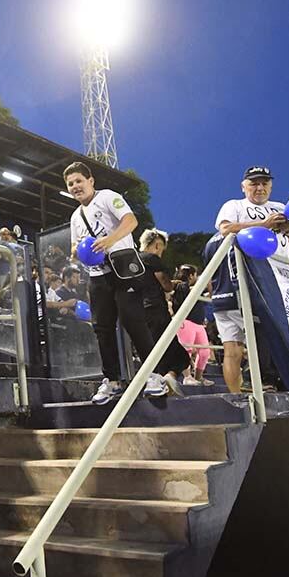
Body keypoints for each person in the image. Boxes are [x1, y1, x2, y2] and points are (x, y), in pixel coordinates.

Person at [64, 161, 155, 405]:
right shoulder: (75, 216)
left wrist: (108, 240)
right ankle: (112, 380)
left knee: (132, 320)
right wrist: (77, 252)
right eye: (70, 184)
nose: (75, 187)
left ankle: (153, 375)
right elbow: (75, 245)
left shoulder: (107, 197)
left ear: (90, 180)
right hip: (97, 275)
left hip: (123, 269)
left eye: (79, 181)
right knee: (102, 328)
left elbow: (131, 221)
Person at [214, 166, 289, 393]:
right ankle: (243, 393)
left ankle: (281, 381)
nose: (260, 187)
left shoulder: (282, 208)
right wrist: (263, 225)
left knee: (283, 334)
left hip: (283, 279)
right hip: (249, 277)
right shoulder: (234, 205)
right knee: (237, 344)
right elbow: (225, 229)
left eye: (264, 183)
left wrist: (287, 228)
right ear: (243, 186)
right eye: (254, 183)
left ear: (271, 186)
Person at [136, 228, 190, 396]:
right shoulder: (152, 258)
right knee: (177, 353)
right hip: (155, 309)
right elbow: (166, 285)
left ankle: (163, 380)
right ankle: (166, 378)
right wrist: (176, 285)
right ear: (158, 245)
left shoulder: (130, 258)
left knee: (152, 350)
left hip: (136, 312)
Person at [172, 265, 213, 386]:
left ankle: (198, 377)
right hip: (186, 322)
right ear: (191, 275)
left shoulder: (194, 289)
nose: (197, 277)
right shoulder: (181, 286)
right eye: (195, 274)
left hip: (198, 324)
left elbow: (208, 294)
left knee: (205, 352)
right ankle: (187, 377)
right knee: (187, 350)